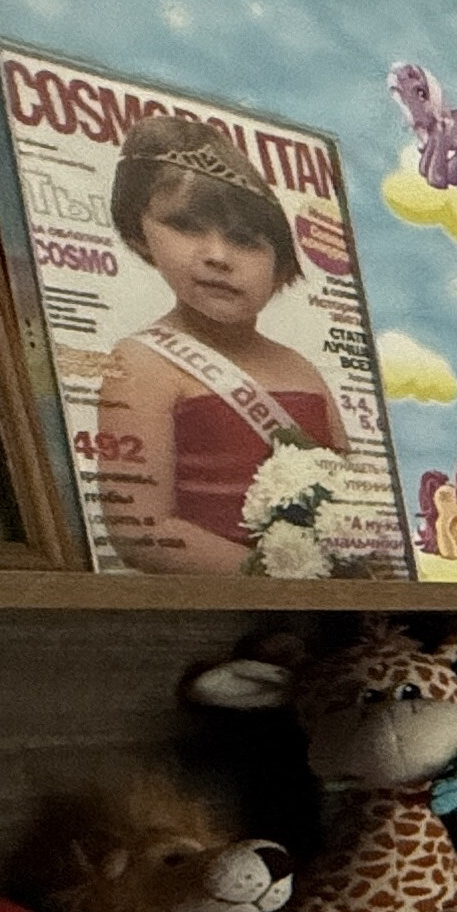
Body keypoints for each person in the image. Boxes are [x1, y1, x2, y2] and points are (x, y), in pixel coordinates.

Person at [89, 116, 348, 573]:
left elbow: (355, 502)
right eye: (186, 227)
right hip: (222, 601)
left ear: (281, 264)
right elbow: (142, 531)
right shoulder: (141, 363)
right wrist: (280, 581)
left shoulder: (300, 368)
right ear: (139, 235)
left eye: (245, 241)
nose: (217, 256)